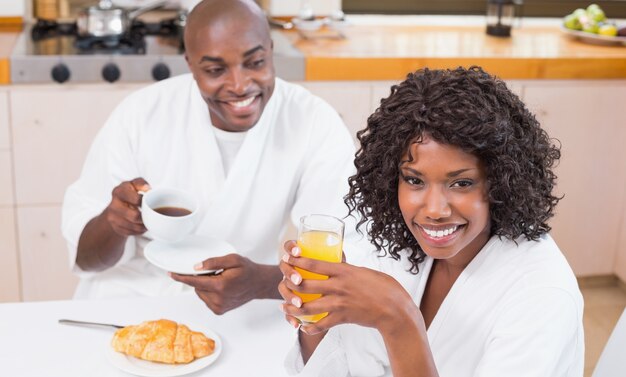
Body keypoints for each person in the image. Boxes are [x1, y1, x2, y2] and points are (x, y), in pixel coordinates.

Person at [279, 66, 584, 376]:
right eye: (414, 180)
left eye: (462, 183)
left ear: (501, 181)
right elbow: (345, 366)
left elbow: (395, 325)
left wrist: (398, 319)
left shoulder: (541, 295)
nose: (434, 210)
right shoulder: (397, 247)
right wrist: (317, 323)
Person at [61, 0, 356, 316]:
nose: (239, 85)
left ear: (270, 50)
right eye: (215, 70)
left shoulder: (311, 122)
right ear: (190, 65)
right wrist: (113, 222)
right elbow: (86, 259)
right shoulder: (141, 115)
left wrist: (262, 283)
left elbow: (347, 261)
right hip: (131, 303)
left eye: (255, 62)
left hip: (247, 309)